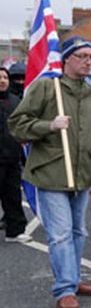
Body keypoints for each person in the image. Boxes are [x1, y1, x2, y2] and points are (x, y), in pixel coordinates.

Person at [8, 37, 91, 308]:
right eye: (82, 56)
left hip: (81, 173)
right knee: (59, 235)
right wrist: (49, 125)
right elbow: (17, 124)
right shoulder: (47, 87)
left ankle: (72, 277)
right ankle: (65, 290)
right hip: (52, 172)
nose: (88, 61)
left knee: (79, 231)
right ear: (66, 59)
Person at [0, 67, 28, 242]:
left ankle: (15, 231)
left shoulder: (16, 101)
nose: (2, 80)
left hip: (12, 158)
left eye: (5, 77)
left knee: (13, 196)